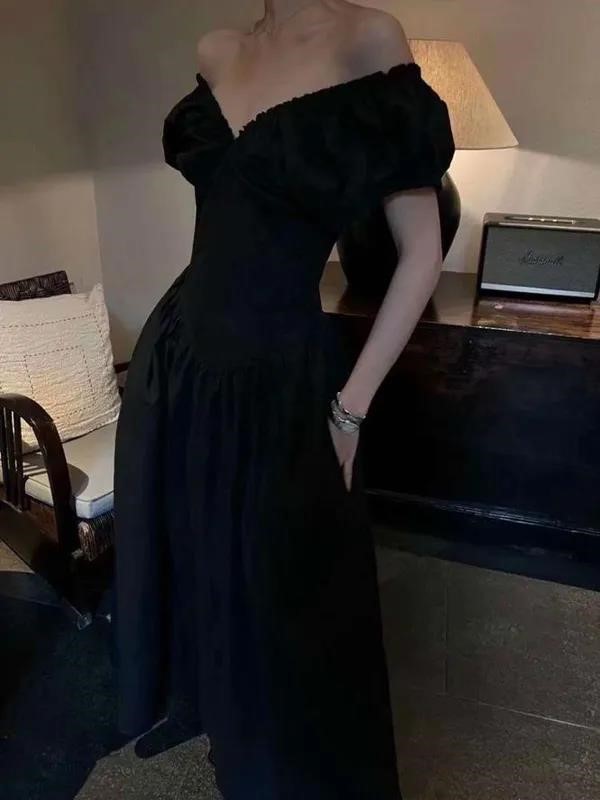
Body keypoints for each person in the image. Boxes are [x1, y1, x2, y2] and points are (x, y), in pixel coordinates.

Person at [112, 1, 455, 797]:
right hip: (180, 363)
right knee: (207, 573)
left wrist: (351, 408)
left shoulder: (368, 38)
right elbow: (221, 226)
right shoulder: (217, 46)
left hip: (282, 378)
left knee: (290, 601)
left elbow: (422, 252)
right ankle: (233, 751)